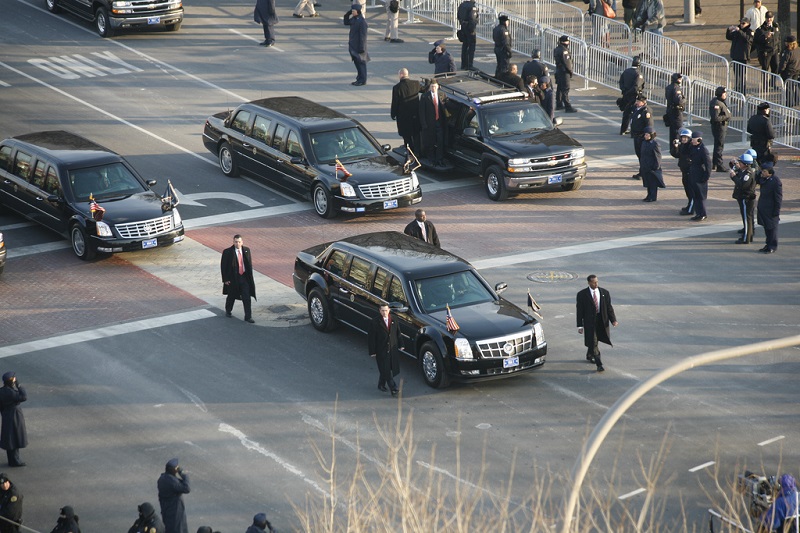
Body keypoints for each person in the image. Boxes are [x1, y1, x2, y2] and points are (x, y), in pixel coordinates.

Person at [576, 275, 618, 373]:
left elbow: (609, 307)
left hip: (602, 320)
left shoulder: (604, 293)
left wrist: (613, 320)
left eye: (597, 282)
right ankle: (599, 364)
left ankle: (590, 354)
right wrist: (580, 325)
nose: (596, 284)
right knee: (594, 341)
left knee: (596, 339)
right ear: (589, 283)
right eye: (594, 282)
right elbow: (580, 311)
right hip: (590, 322)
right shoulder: (582, 294)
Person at [221, 234, 257, 323]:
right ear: (233, 242)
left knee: (246, 297)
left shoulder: (246, 251)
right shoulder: (227, 252)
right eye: (236, 242)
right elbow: (223, 266)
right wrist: (225, 279)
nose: (237, 244)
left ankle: (248, 316)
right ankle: (228, 310)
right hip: (233, 278)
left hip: (244, 277)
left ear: (242, 242)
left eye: (239, 242)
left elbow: (249, 264)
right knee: (232, 295)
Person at [368, 304, 401, 396]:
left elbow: (398, 333)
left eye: (386, 310)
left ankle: (381, 384)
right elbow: (371, 338)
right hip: (381, 350)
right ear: (379, 311)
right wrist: (372, 351)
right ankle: (394, 388)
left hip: (391, 350)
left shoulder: (394, 319)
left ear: (389, 310)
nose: (384, 312)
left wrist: (401, 344)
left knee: (385, 369)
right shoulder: (375, 322)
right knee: (386, 370)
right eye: (382, 310)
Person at [390, 68, 421, 155]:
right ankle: (418, 152)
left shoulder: (397, 88)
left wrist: (393, 114)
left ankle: (410, 152)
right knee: (416, 135)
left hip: (404, 117)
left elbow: (395, 102)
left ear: (401, 75)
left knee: (406, 136)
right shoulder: (416, 84)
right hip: (415, 115)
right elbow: (423, 89)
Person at [419, 79, 449, 168]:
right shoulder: (425, 97)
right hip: (429, 124)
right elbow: (422, 112)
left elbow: (446, 107)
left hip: (439, 123)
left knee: (440, 142)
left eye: (435, 87)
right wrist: (424, 124)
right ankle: (431, 160)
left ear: (438, 87)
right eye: (432, 87)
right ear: (430, 87)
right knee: (430, 143)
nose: (433, 88)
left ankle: (439, 159)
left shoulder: (442, 95)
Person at [729, 153, 757, 244]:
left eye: (740, 162)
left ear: (745, 164)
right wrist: (734, 165)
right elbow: (736, 169)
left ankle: (746, 238)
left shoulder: (748, 174)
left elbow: (742, 185)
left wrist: (733, 177)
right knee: (747, 217)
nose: (739, 163)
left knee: (747, 218)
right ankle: (749, 235)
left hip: (746, 198)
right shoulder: (743, 171)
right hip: (744, 197)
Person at [0, 373, 26, 468]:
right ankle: (15, 461)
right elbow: (24, 396)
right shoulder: (11, 392)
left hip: (6, 415)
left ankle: (12, 460)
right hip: (15, 416)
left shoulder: (2, 391)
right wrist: (19, 386)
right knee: (15, 438)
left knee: (9, 438)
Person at [158, 458, 190, 533]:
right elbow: (187, 488)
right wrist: (183, 473)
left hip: (166, 511)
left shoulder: (162, 479)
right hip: (175, 513)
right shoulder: (172, 481)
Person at [756, 161, 782, 253]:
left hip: (771, 209)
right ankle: (768, 244)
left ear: (769, 172)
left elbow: (778, 198)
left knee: (772, 229)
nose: (762, 173)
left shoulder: (775, 182)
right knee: (767, 228)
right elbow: (757, 179)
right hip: (764, 208)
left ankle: (772, 246)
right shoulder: (764, 179)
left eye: (764, 171)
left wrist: (776, 211)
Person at [688, 131, 711, 221]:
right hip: (693, 174)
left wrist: (706, 176)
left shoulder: (703, 150)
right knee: (696, 195)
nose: (692, 141)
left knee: (701, 196)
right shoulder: (693, 147)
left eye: (694, 140)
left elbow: (708, 164)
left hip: (700, 175)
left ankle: (702, 214)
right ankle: (698, 213)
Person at [344, 4, 369, 86]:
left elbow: (363, 36)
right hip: (353, 46)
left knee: (361, 64)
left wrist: (361, 47)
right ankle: (359, 78)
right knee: (357, 64)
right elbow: (346, 22)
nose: (352, 12)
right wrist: (347, 14)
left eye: (353, 11)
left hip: (359, 47)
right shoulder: (354, 19)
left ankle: (362, 80)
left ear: (358, 11)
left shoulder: (362, 22)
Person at [618, 56, 644, 135]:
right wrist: (630, 92)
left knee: (626, 113)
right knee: (635, 114)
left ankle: (623, 129)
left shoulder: (626, 71)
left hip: (626, 95)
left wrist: (624, 91)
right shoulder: (638, 74)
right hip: (634, 96)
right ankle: (633, 130)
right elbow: (636, 86)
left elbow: (621, 82)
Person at [727, 18, 754, 94]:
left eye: (743, 23)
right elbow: (729, 37)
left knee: (742, 76)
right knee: (736, 75)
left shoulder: (749, 31)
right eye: (741, 23)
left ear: (748, 24)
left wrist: (739, 31)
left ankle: (743, 91)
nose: (741, 25)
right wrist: (729, 30)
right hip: (735, 56)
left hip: (743, 57)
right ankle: (737, 89)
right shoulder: (737, 31)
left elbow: (748, 39)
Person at [629, 95, 652, 179]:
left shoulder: (646, 111)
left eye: (638, 101)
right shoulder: (636, 108)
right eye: (636, 101)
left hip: (642, 136)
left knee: (643, 156)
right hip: (636, 136)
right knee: (639, 155)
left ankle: (644, 173)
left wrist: (647, 135)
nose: (636, 103)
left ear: (643, 102)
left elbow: (649, 125)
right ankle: (642, 171)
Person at [709, 87, 730, 171]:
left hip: (721, 126)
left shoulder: (720, 102)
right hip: (719, 127)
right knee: (719, 146)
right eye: (724, 93)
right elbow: (716, 118)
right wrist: (727, 116)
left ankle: (715, 163)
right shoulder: (717, 103)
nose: (726, 95)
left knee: (718, 145)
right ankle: (719, 165)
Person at [639, 126, 663, 202]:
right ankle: (649, 195)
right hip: (645, 166)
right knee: (647, 182)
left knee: (653, 183)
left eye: (647, 135)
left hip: (652, 167)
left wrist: (656, 167)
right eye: (645, 134)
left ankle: (653, 196)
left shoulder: (655, 144)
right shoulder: (644, 142)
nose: (645, 136)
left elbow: (658, 156)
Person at [664, 72, 685, 157]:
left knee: (672, 131)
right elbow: (679, 101)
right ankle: (676, 150)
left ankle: (672, 149)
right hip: (676, 112)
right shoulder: (676, 88)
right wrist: (684, 99)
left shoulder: (668, 87)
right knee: (678, 131)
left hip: (670, 110)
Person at [554, 35, 577, 112]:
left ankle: (559, 104)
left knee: (560, 88)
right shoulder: (564, 50)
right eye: (567, 41)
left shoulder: (557, 49)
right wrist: (570, 71)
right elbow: (567, 63)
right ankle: (568, 106)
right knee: (565, 89)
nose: (568, 43)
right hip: (564, 72)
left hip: (559, 71)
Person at [676, 128, 694, 215]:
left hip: (690, 172)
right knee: (687, 189)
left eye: (686, 138)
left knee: (691, 191)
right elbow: (675, 154)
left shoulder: (690, 147)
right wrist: (675, 147)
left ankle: (691, 209)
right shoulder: (682, 146)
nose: (684, 139)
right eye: (683, 137)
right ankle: (689, 205)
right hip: (684, 171)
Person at [457, 0, 478, 69]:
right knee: (471, 47)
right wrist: (472, 30)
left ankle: (464, 64)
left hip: (463, 26)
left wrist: (462, 23)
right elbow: (472, 19)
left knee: (465, 46)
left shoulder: (462, 5)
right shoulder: (472, 7)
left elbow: (458, 16)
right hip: (469, 28)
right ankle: (469, 65)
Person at [493, 14, 512, 79]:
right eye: (507, 21)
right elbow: (506, 43)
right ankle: (502, 80)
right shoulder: (504, 30)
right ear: (504, 22)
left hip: (497, 48)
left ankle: (497, 77)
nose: (508, 23)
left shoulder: (496, 28)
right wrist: (509, 52)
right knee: (504, 67)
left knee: (499, 65)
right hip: (503, 50)